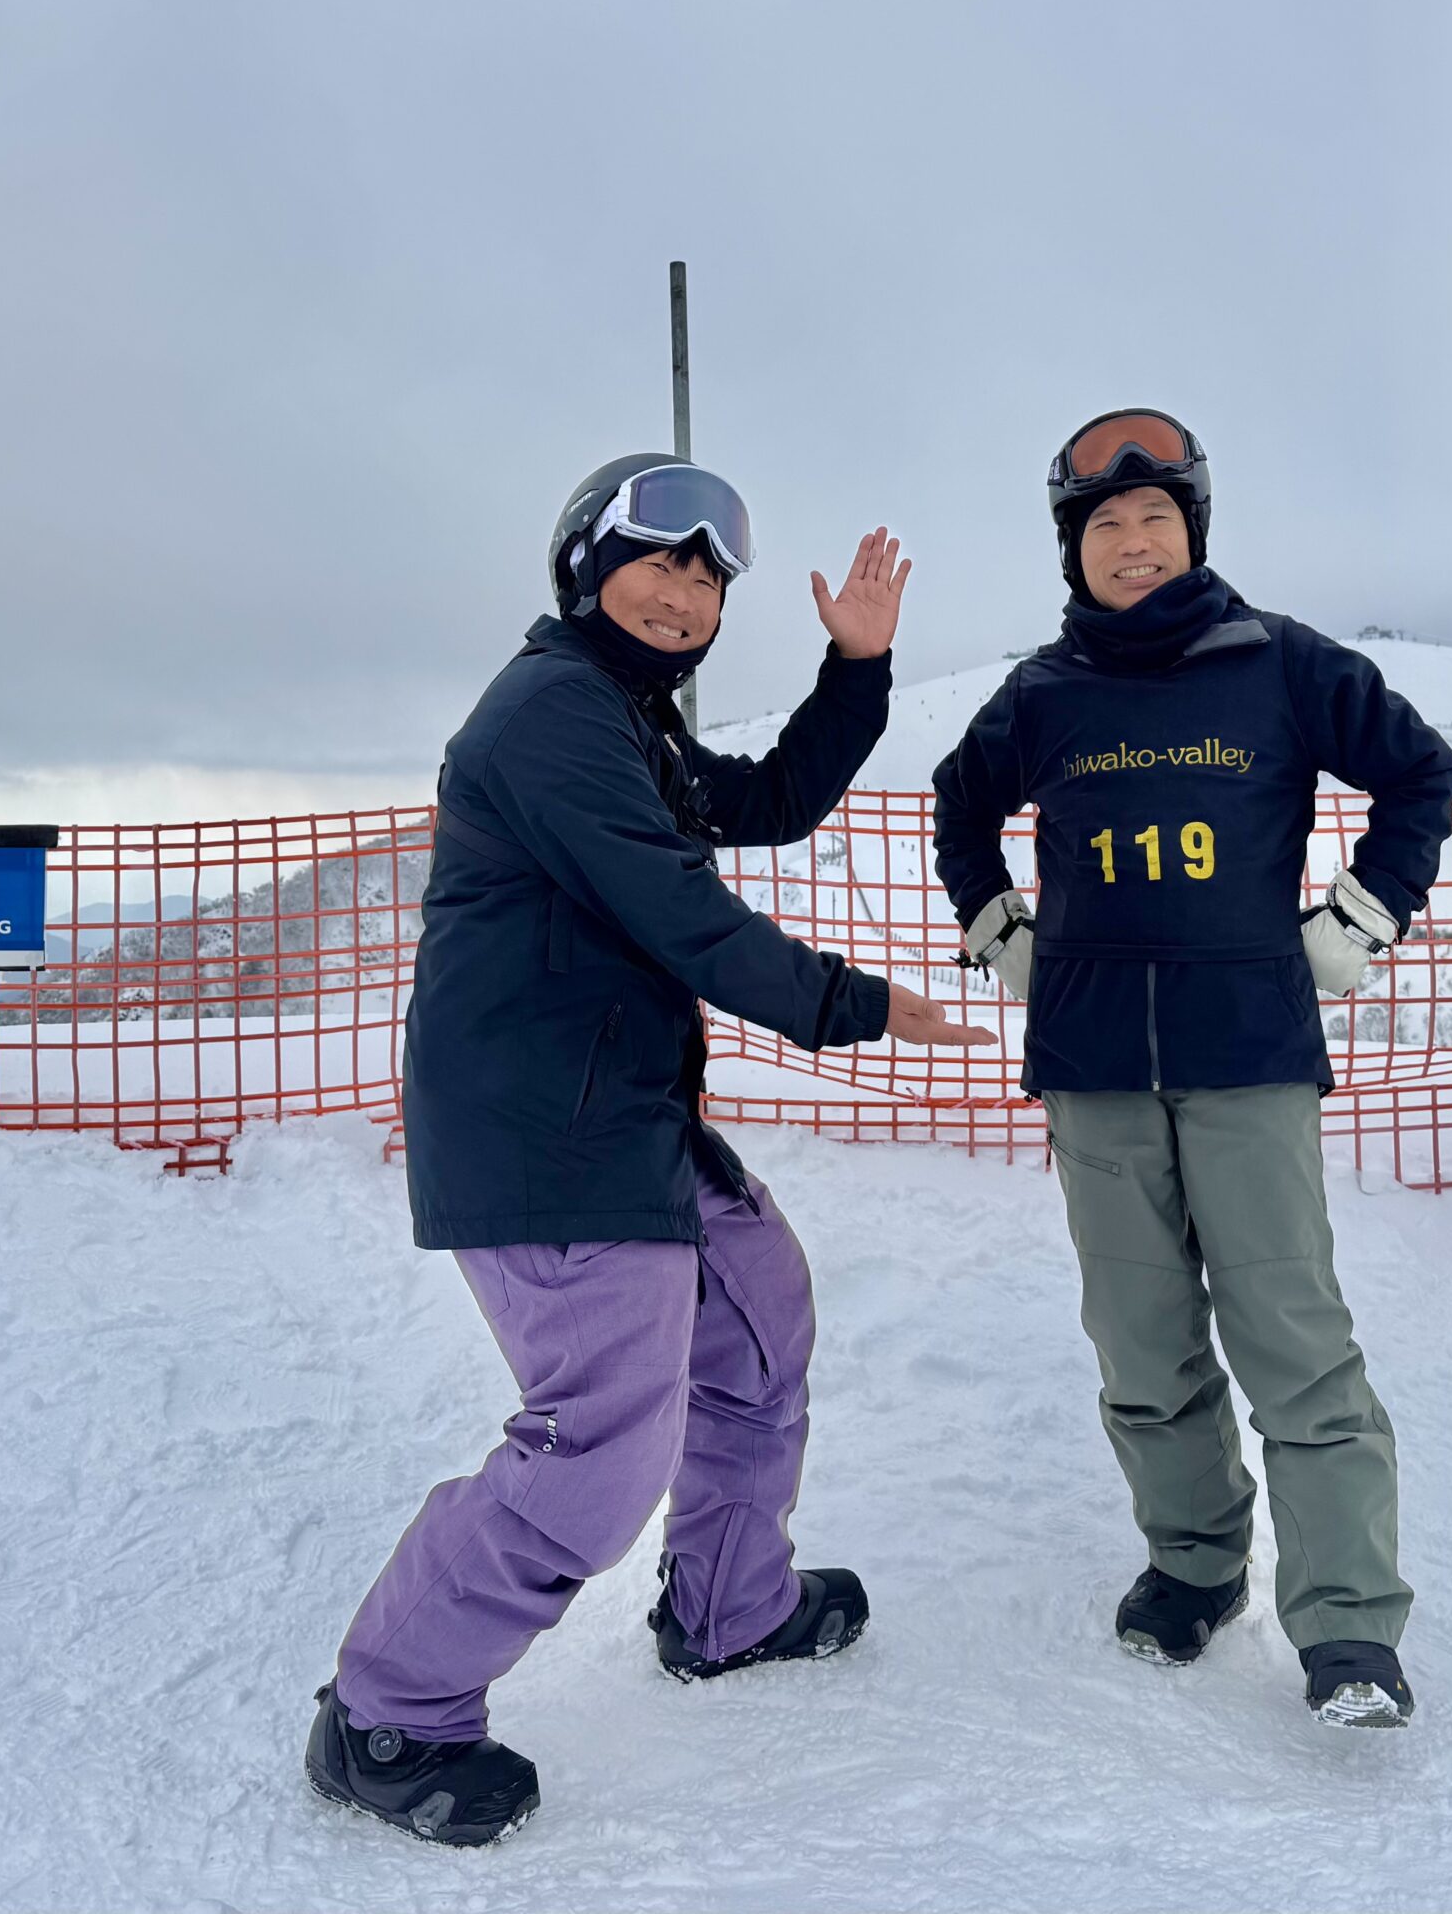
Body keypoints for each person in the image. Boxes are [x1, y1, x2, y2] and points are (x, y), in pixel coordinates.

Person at [309, 454, 992, 1845]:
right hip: (540, 1136)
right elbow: (683, 914)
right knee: (604, 1439)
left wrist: (857, 668)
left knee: (755, 1320)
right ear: (585, 568)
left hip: (617, 1112)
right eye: (657, 563)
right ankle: (390, 1709)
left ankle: (729, 1607)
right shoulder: (551, 716)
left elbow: (772, 800)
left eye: (706, 577)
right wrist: (857, 1004)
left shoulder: (624, 717)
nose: (684, 595)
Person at [931, 409, 1452, 1729]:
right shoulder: (1045, 692)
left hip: (1249, 1058)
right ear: (1074, 549)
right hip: (1094, 1064)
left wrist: (1361, 919)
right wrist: (999, 929)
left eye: (1155, 518)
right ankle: (1194, 1564)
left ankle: (1348, 1625)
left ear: (1194, 531)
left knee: (1294, 1341)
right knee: (1142, 1345)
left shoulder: (1279, 663)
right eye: (1106, 524)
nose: (1133, 541)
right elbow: (959, 803)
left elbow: (1420, 773)